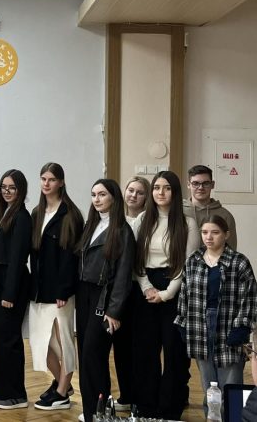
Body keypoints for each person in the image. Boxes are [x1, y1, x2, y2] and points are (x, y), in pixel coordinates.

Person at [131, 170, 199, 419]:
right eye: (157, 188)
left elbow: (187, 263)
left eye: (167, 188)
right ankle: (146, 406)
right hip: (145, 286)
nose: (161, 192)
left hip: (175, 287)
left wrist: (168, 293)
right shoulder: (142, 220)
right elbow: (135, 259)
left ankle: (170, 408)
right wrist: (146, 287)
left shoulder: (187, 223)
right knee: (145, 350)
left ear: (175, 192)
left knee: (174, 351)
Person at [175, 215, 255, 413]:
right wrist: (182, 323)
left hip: (229, 324)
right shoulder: (193, 261)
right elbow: (184, 294)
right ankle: (212, 416)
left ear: (226, 235)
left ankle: (233, 416)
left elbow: (250, 297)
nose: (209, 237)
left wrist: (241, 327)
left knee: (230, 381)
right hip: (198, 325)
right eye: (204, 232)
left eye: (215, 232)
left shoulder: (239, 262)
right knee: (208, 383)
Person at [75, 179, 135, 422]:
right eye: (93, 195)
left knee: (94, 354)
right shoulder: (91, 225)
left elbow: (123, 275)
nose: (97, 199)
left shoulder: (122, 230)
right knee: (85, 354)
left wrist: (114, 311)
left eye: (102, 194)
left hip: (104, 297)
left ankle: (99, 412)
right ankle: (93, 410)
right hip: (84, 295)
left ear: (114, 197)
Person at [28, 162, 83, 411]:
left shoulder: (71, 215)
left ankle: (61, 393)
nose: (46, 183)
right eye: (43, 179)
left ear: (61, 182)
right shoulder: (37, 213)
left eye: (51, 179)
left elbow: (71, 256)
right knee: (40, 342)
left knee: (64, 342)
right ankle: (62, 383)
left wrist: (65, 290)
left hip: (61, 292)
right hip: (39, 290)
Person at [0, 169, 32, 410]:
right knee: (0, 338)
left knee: (7, 338)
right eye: (4, 187)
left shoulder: (22, 217)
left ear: (21, 190)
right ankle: (2, 390)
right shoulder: (5, 212)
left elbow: (17, 258)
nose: (7, 191)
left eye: (12, 187)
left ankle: (16, 395)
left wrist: (9, 293)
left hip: (12, 280)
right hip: (1, 275)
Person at [113, 175, 150, 410]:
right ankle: (126, 394)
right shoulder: (117, 220)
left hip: (141, 288)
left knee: (141, 345)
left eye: (140, 192)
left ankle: (141, 396)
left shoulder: (148, 221)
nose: (133, 195)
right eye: (130, 190)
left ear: (146, 197)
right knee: (121, 344)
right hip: (120, 288)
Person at [183, 164, 237, 249]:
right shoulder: (179, 212)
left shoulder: (225, 215)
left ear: (212, 184)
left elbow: (231, 250)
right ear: (188, 184)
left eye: (206, 183)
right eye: (195, 183)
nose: (201, 187)